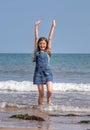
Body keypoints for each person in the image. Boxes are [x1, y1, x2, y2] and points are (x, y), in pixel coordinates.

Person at [33, 19, 56, 105]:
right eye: (40, 43)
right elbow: (36, 38)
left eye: (44, 43)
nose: (42, 45)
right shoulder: (36, 52)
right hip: (38, 74)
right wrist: (36, 27)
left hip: (48, 73)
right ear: (38, 44)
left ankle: (49, 99)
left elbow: (50, 38)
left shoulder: (48, 52)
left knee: (50, 90)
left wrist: (53, 26)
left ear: (46, 45)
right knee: (41, 94)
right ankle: (40, 109)